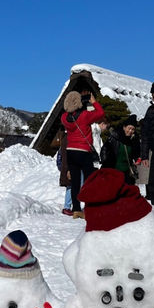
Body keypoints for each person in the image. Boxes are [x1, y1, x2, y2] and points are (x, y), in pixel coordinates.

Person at [61, 90, 105, 218]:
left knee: (75, 182)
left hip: (71, 152)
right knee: (88, 181)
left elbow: (70, 114)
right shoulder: (85, 116)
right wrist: (93, 102)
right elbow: (100, 113)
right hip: (84, 151)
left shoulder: (64, 118)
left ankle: (76, 209)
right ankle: (89, 208)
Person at [100, 115, 140, 184]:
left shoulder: (134, 140)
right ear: (124, 127)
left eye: (133, 129)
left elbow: (136, 153)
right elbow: (105, 150)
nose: (130, 131)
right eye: (129, 128)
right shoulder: (115, 137)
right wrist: (106, 162)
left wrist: (137, 159)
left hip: (126, 173)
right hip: (113, 170)